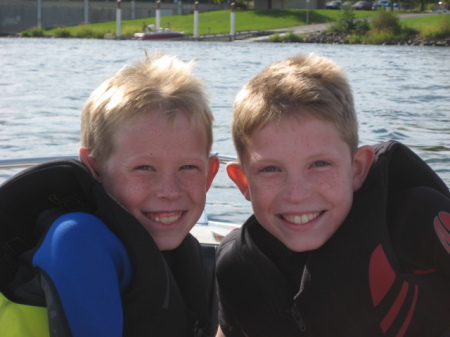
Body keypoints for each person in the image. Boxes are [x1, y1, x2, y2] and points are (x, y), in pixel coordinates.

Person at [215, 53, 450, 337]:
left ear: (357, 168)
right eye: (270, 169)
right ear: (242, 181)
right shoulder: (237, 266)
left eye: (320, 164)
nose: (297, 194)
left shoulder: (420, 221)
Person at [0, 52, 219, 337]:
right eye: (144, 168)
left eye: (187, 167)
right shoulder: (78, 241)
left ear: (210, 173)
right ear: (94, 169)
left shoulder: (178, 254)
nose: (169, 190)